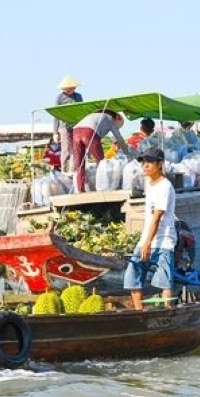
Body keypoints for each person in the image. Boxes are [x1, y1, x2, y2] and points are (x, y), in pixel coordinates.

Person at [123, 148, 177, 310]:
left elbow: (157, 217)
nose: (145, 166)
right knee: (133, 275)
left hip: (164, 240)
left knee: (164, 281)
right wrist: (145, 241)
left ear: (160, 164)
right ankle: (140, 313)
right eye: (143, 162)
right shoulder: (149, 184)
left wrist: (147, 243)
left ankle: (168, 312)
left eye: (149, 162)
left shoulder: (165, 186)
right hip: (147, 238)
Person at [71, 109, 131, 193]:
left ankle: (80, 189)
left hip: (75, 132)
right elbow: (119, 138)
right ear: (117, 117)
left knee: (80, 164)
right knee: (102, 163)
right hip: (89, 131)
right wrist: (128, 153)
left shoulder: (97, 117)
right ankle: (105, 188)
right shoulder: (110, 119)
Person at [53, 76, 83, 172]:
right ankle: (63, 170)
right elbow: (56, 115)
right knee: (65, 149)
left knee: (75, 149)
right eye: (68, 88)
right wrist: (55, 132)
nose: (70, 90)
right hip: (64, 126)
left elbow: (81, 111)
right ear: (64, 88)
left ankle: (73, 170)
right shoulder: (60, 98)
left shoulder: (78, 97)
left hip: (76, 125)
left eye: (72, 88)